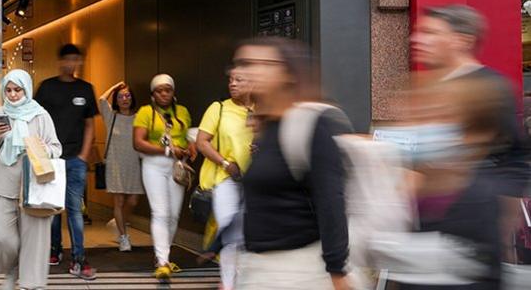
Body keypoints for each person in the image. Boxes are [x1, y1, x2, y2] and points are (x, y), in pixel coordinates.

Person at [232, 37, 352, 290]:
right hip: (257, 269)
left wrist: (337, 270)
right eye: (246, 64)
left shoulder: (311, 124)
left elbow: (330, 199)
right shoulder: (267, 128)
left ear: (288, 74)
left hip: (297, 271)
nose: (251, 70)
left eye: (263, 63)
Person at [373, 77, 510, 289]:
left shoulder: (479, 196)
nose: (420, 126)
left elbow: (487, 275)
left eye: (438, 116)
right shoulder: (415, 189)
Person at [411, 4, 530, 198]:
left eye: (429, 32)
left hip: (472, 215)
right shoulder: (428, 84)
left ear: (462, 41)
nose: (416, 40)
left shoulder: (490, 87)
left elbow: (512, 159)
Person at [0, 69, 62, 290]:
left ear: (26, 89)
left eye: (17, 89)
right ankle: (11, 271)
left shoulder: (40, 115)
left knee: (34, 239)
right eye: (8, 90)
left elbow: (57, 148)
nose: (13, 94)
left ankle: (30, 282)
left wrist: (38, 147)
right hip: (3, 184)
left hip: (34, 184)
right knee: (2, 239)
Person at [34, 44, 99, 280]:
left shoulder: (86, 89)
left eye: (76, 60)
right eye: (68, 60)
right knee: (52, 208)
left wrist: (83, 155)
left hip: (75, 159)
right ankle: (55, 249)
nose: (72, 64)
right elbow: (36, 120)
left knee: (74, 210)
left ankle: (78, 257)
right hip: (51, 159)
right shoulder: (47, 88)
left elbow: (90, 124)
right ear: (60, 62)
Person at [194, 68, 254, 290]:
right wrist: (226, 164)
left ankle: (241, 282)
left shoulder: (262, 110)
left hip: (255, 182)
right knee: (230, 232)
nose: (233, 84)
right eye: (230, 80)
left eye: (239, 79)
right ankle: (229, 284)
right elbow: (202, 142)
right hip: (226, 179)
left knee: (248, 235)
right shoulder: (218, 108)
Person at [132, 73, 193, 280]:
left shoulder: (182, 112)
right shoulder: (145, 112)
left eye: (168, 90)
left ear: (173, 92)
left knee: (174, 214)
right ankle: (162, 261)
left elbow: (186, 138)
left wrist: (190, 147)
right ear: (153, 94)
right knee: (160, 213)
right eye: (160, 90)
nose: (164, 94)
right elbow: (138, 143)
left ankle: (164, 255)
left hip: (178, 167)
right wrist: (167, 151)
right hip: (154, 166)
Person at [98, 81, 144, 252]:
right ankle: (124, 237)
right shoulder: (112, 116)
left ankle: (118, 223)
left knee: (133, 200)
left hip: (134, 163)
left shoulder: (139, 117)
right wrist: (115, 86)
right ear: (116, 100)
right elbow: (102, 100)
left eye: (127, 95)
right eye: (120, 96)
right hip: (115, 163)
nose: (125, 99)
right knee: (119, 200)